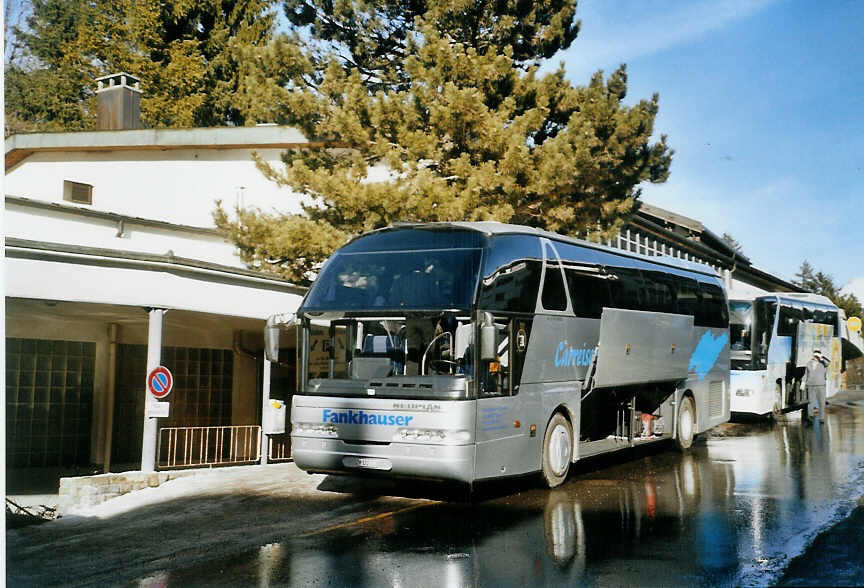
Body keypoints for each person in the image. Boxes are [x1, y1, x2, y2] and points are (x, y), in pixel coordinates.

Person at [804, 350, 828, 423]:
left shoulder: (823, 363)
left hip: (821, 385)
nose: (815, 357)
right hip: (811, 385)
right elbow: (806, 374)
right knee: (811, 402)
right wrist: (803, 382)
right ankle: (810, 416)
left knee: (821, 402)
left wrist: (821, 358)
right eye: (815, 355)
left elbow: (828, 363)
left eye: (817, 356)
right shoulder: (809, 363)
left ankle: (821, 418)